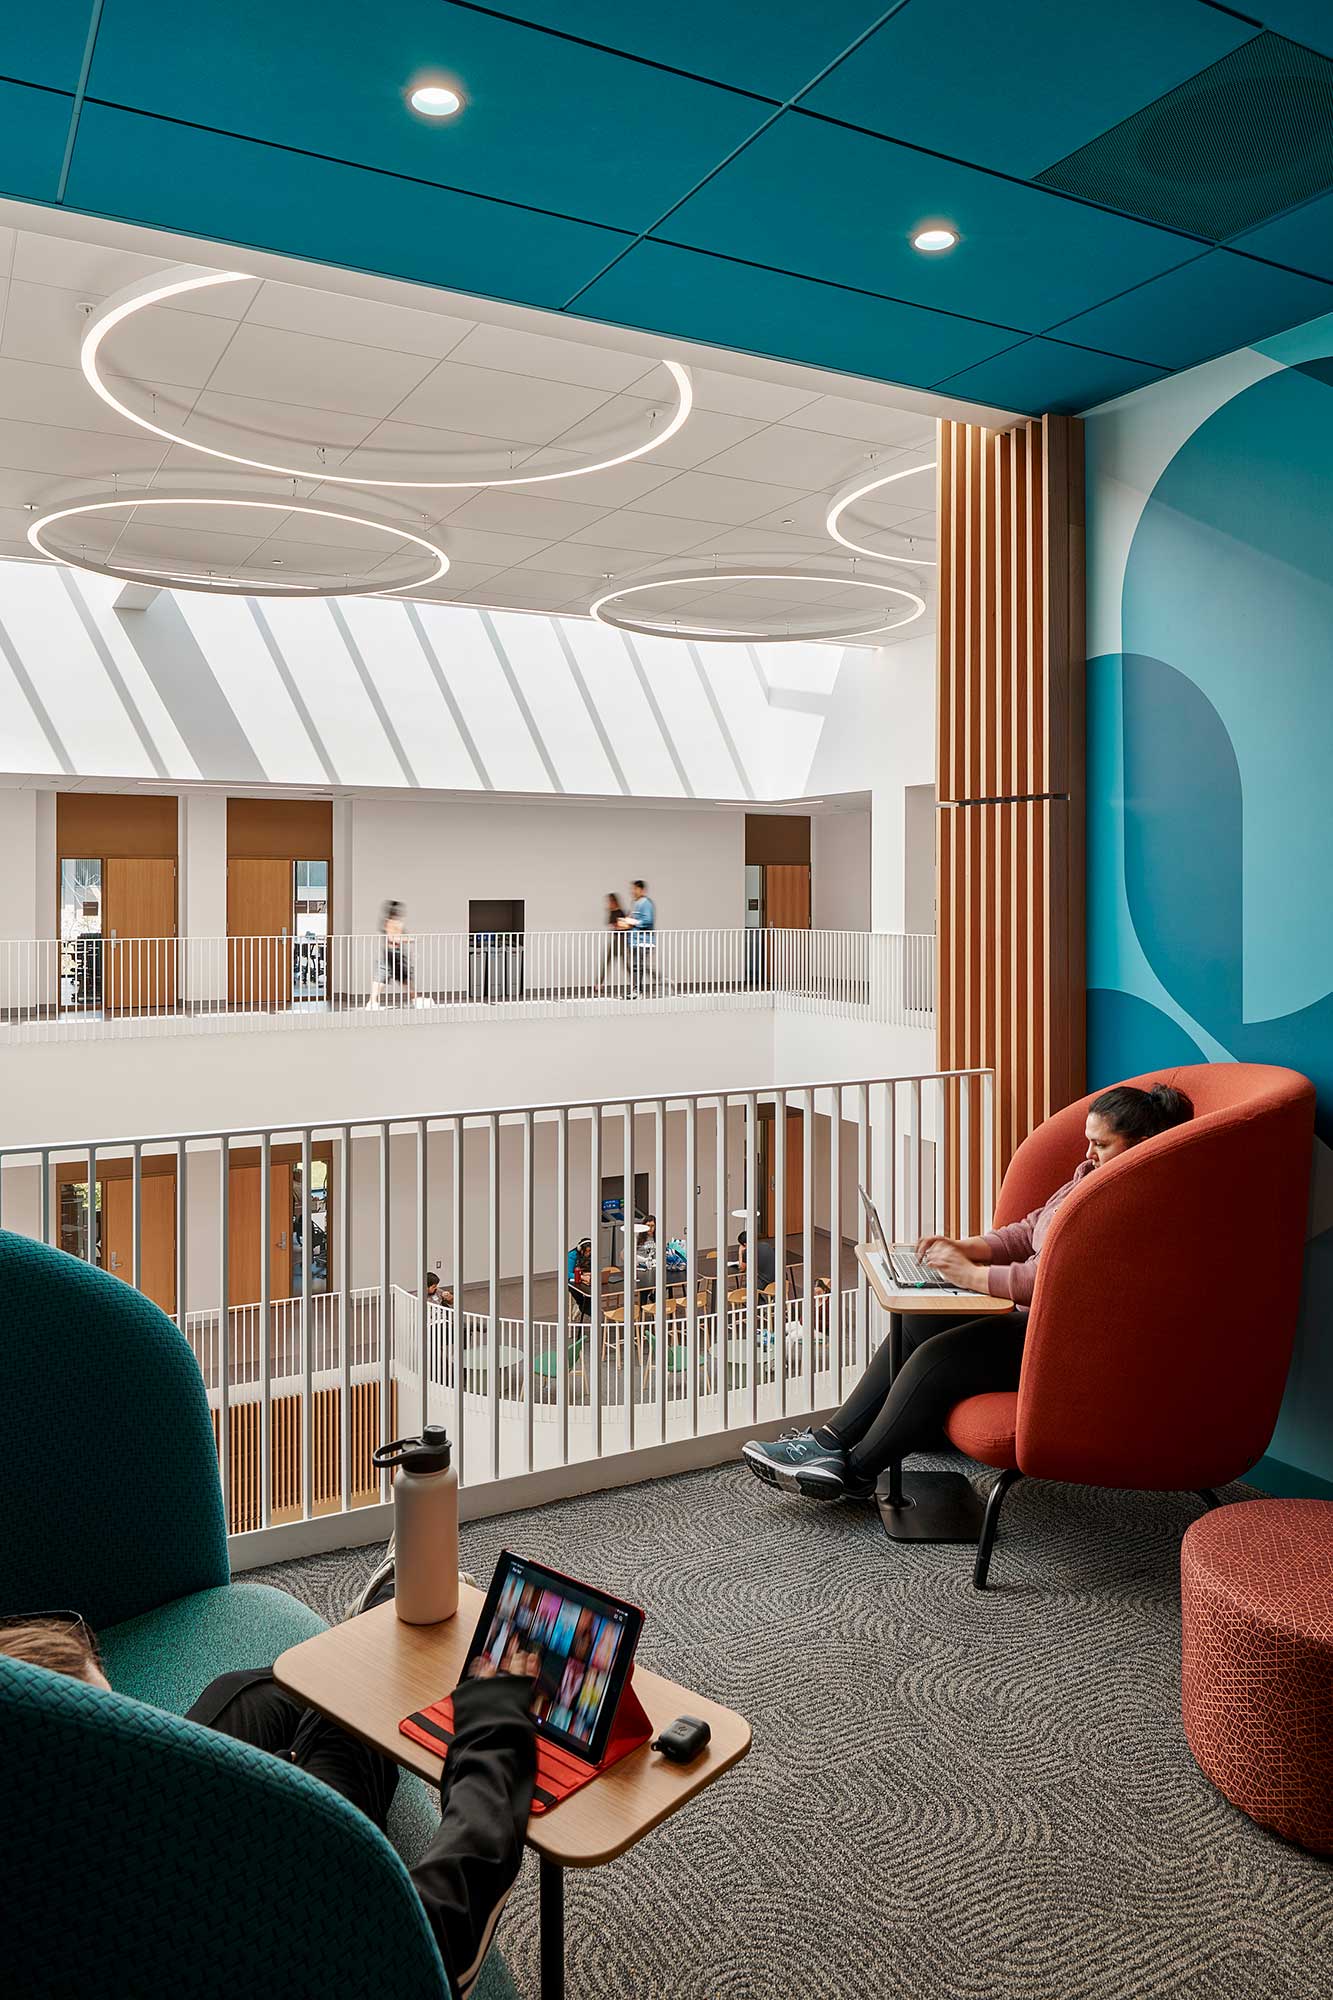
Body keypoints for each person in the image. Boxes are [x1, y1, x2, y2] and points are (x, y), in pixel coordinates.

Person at [0, 1612, 539, 2000]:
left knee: (248, 1693)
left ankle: (356, 1641)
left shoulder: (44, 1882)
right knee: (345, 1725)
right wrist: (496, 1719)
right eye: (122, 1731)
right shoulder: (248, 1939)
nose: (140, 1736)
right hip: (255, 1905)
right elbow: (454, 1904)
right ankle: (352, 1668)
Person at [742, 1083, 1194, 1499]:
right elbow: (1029, 1230)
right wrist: (967, 1248)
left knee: (936, 1357)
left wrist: (969, 1275)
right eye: (1087, 1140)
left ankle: (857, 1472)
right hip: (1032, 1322)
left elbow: (1049, 1282)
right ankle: (827, 1443)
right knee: (917, 1321)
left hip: (1066, 1343)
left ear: (1140, 1147)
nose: (1088, 1153)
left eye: (1100, 1144)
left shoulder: (1127, 1208)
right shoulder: (1088, 1178)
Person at [371, 900, 415, 1008]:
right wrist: (408, 939)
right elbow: (392, 938)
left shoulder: (394, 922)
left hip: (396, 953)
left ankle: (415, 999)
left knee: (404, 977)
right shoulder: (390, 922)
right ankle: (372, 1001)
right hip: (391, 953)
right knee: (383, 977)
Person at [627, 879, 656, 994]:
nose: (633, 891)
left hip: (643, 941)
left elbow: (648, 920)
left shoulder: (646, 903)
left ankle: (637, 991)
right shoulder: (635, 903)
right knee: (636, 966)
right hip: (634, 940)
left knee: (637, 966)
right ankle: (637, 989)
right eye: (632, 889)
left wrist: (633, 922)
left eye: (635, 889)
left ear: (642, 890)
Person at [598, 892, 630, 991]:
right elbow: (612, 924)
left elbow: (625, 926)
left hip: (622, 940)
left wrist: (620, 924)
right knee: (607, 961)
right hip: (616, 940)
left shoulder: (620, 912)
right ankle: (599, 984)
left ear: (614, 901)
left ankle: (635, 983)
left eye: (610, 901)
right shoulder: (612, 912)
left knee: (626, 964)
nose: (609, 903)